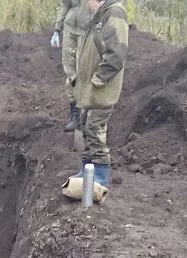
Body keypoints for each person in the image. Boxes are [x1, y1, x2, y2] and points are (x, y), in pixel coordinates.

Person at [72, 0, 129, 188]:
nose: (87, 4)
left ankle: (100, 175)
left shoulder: (114, 13)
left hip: (101, 89)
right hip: (90, 88)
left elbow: (116, 53)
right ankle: (87, 170)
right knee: (86, 126)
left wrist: (99, 78)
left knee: (95, 130)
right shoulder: (100, 14)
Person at [51, 0, 92, 132]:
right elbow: (65, 4)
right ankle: (75, 117)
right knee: (70, 72)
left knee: (85, 72)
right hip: (69, 30)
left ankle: (86, 117)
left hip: (87, 30)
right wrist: (57, 30)